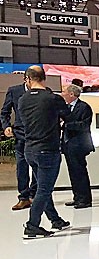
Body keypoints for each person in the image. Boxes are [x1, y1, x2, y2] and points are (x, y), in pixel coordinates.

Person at [17, 66, 71, 238]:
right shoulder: (52, 98)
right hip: (48, 149)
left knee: (43, 187)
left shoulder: (23, 99)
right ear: (43, 78)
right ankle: (32, 225)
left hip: (29, 149)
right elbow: (67, 115)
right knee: (44, 190)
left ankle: (55, 220)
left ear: (28, 79)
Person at [1, 71, 37, 210]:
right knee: (22, 166)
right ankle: (23, 197)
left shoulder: (44, 91)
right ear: (26, 79)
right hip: (20, 134)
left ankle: (34, 194)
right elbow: (5, 112)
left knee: (37, 166)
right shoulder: (14, 91)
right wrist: (6, 126)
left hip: (37, 135)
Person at [61, 84, 95, 208]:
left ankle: (85, 199)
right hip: (68, 144)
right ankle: (77, 197)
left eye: (64, 91)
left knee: (80, 172)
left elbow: (84, 125)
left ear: (71, 94)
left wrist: (66, 125)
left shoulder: (84, 107)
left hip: (79, 145)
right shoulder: (65, 107)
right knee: (73, 172)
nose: (62, 94)